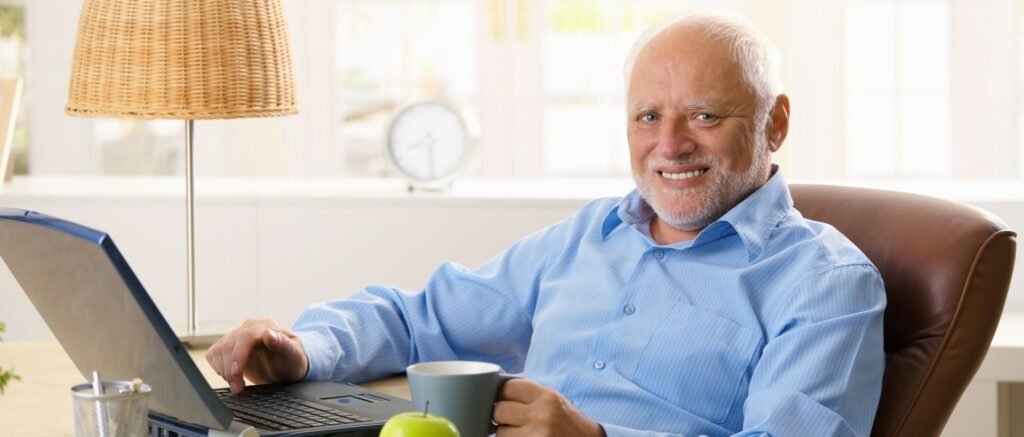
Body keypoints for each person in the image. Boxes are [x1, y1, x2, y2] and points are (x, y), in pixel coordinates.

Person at [207, 12, 885, 437]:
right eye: (649, 116)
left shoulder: (825, 285)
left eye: (705, 115)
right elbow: (418, 319)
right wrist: (306, 349)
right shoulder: (591, 235)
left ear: (776, 122)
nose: (670, 144)